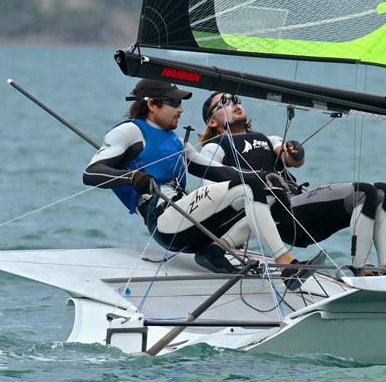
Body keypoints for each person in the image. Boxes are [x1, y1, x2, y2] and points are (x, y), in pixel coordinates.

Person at [82, 79, 299, 274]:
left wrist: (260, 175)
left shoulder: (177, 142)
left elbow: (217, 170)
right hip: (165, 221)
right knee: (250, 187)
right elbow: (91, 172)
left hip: (188, 220)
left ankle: (215, 250)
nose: (181, 109)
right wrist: (132, 178)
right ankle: (286, 263)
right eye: (174, 103)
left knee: (272, 193)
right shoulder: (129, 131)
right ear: (151, 104)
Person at [196, 91, 386, 272]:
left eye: (235, 99)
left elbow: (291, 160)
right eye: (224, 102)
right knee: (364, 193)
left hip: (302, 207)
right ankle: (362, 269)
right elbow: (212, 188)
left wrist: (295, 152)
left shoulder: (268, 138)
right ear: (212, 122)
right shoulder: (215, 146)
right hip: (283, 215)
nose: (234, 103)